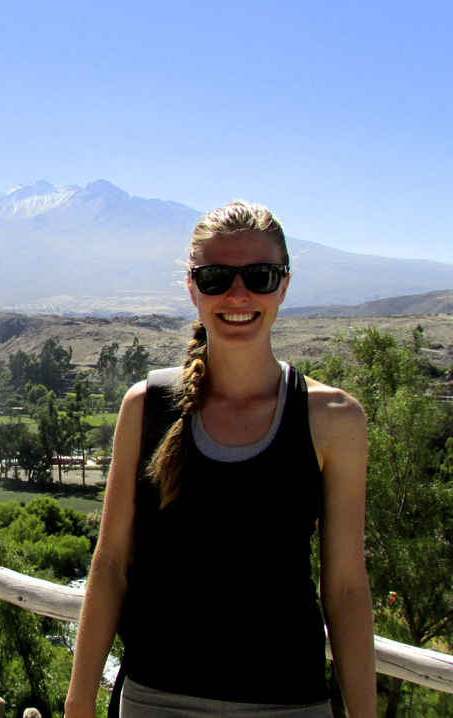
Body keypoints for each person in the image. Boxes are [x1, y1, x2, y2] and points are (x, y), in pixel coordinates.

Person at [64, 201, 376, 718]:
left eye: (258, 275)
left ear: (284, 284)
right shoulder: (147, 408)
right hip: (155, 700)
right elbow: (111, 566)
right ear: (192, 287)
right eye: (215, 278)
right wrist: (79, 703)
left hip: (289, 704)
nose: (238, 294)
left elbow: (345, 589)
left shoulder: (334, 419)